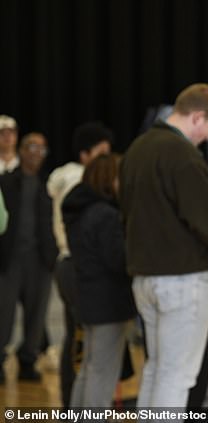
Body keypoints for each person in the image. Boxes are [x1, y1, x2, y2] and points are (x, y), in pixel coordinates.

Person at [119, 83, 208, 413]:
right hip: (181, 282)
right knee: (177, 377)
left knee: (156, 371)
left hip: (144, 279)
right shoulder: (182, 155)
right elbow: (207, 223)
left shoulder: (137, 149)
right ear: (198, 117)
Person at [62, 153, 136, 409]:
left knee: (89, 368)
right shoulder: (104, 214)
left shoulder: (80, 211)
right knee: (102, 373)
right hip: (109, 304)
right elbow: (119, 260)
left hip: (90, 300)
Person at [47, 121, 113, 409]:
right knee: (86, 351)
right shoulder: (79, 181)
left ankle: (74, 406)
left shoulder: (64, 178)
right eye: (101, 153)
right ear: (85, 154)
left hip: (67, 264)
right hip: (78, 266)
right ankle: (79, 407)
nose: (106, 161)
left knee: (79, 344)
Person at [0, 132, 58, 383]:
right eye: (32, 147)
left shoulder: (48, 184)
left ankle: (28, 359)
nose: (36, 154)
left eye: (42, 149)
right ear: (22, 150)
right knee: (3, 314)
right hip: (9, 258)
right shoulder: (5, 182)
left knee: (37, 315)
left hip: (40, 259)